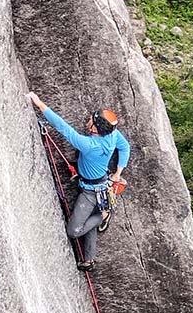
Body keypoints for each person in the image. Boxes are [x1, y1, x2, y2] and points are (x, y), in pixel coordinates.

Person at [29, 91, 130, 271]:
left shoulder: (89, 145)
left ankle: (104, 216)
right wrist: (118, 173)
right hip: (101, 184)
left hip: (90, 192)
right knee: (87, 217)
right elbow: (125, 147)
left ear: (96, 129)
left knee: (73, 231)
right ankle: (89, 259)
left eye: (91, 120)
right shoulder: (112, 136)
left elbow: (64, 128)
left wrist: (39, 104)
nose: (88, 120)